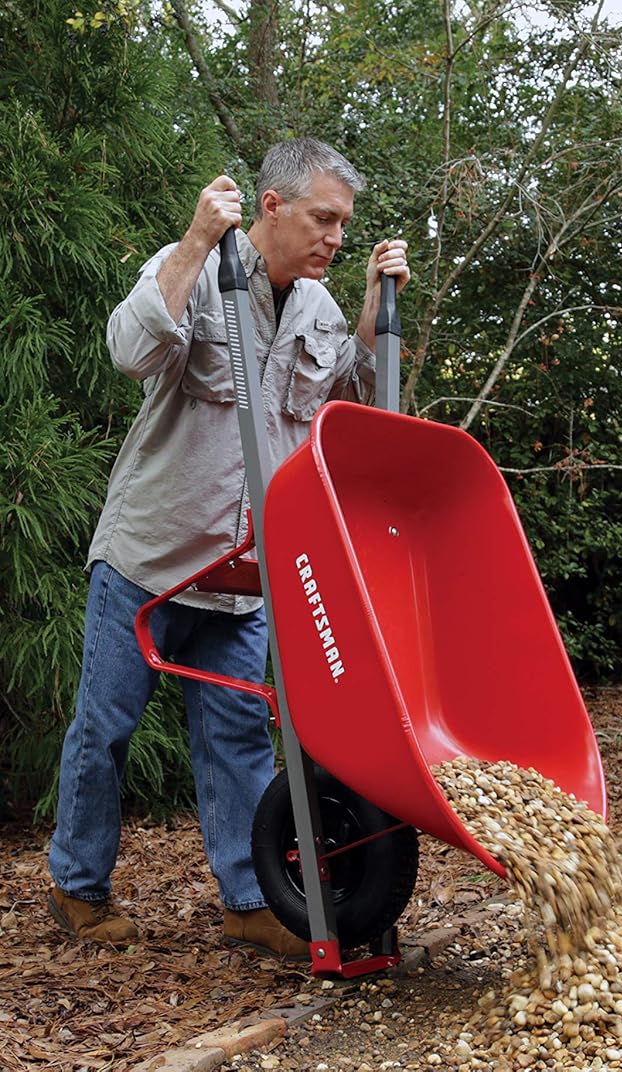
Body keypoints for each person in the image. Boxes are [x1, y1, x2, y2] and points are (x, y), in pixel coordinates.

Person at [46, 138, 410, 958]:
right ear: (271, 206)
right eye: (323, 219)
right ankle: (78, 887)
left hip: (247, 571)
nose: (335, 237)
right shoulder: (198, 269)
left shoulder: (317, 309)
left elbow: (351, 410)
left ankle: (250, 900)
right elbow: (130, 351)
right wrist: (196, 239)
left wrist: (370, 307)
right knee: (104, 728)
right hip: (151, 555)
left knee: (240, 735)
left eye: (344, 224)